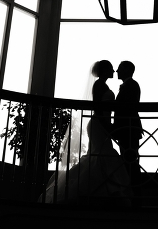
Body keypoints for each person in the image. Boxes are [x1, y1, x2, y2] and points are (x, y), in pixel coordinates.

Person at [40, 61, 132, 205]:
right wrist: (109, 128)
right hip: (99, 124)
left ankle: (105, 190)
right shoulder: (99, 85)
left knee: (100, 155)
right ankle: (104, 191)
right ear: (104, 70)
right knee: (101, 154)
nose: (114, 70)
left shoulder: (102, 85)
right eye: (110, 68)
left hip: (101, 124)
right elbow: (99, 109)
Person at [113, 60, 143, 198]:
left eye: (119, 68)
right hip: (126, 128)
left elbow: (125, 109)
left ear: (126, 70)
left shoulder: (131, 85)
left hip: (128, 128)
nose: (116, 71)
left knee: (130, 160)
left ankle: (134, 192)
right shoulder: (130, 85)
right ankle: (132, 191)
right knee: (128, 159)